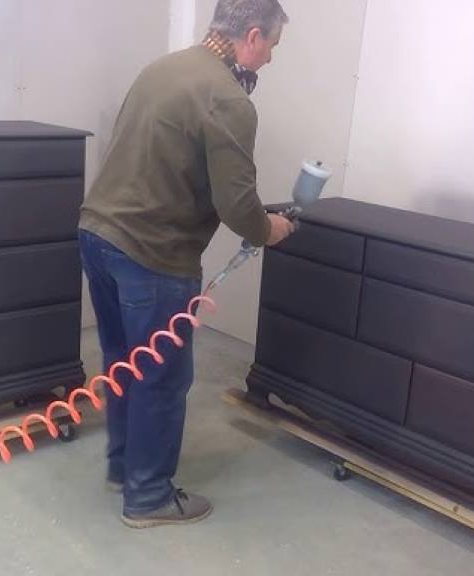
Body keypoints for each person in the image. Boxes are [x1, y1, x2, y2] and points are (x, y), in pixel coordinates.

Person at [77, 0, 293, 528]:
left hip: (98, 234)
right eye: (273, 48)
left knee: (123, 362)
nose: (269, 61)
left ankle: (124, 468)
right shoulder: (229, 99)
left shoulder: (164, 68)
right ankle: (148, 497)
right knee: (162, 377)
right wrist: (270, 229)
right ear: (254, 37)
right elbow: (237, 205)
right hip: (153, 254)